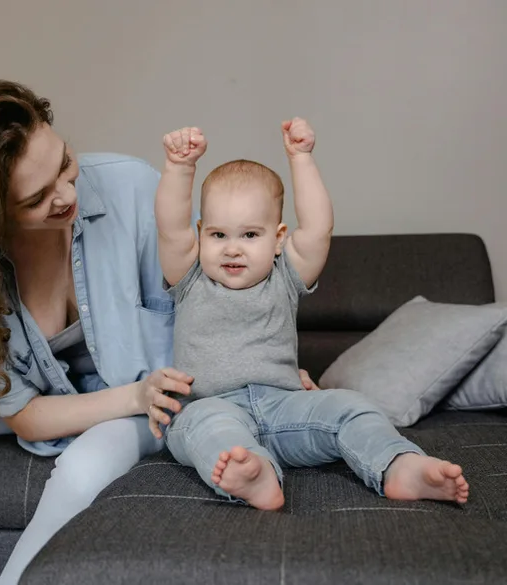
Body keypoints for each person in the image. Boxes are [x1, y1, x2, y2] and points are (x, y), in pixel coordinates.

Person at [0, 77, 326, 585]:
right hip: (80, 403)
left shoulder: (134, 190)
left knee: (86, 464)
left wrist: (260, 369)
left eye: (63, 163)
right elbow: (28, 417)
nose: (66, 193)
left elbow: (229, 280)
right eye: (36, 198)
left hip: (162, 402)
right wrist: (131, 396)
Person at [154, 120, 470, 511]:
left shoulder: (285, 276)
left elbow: (319, 229)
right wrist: (180, 168)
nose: (232, 249)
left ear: (279, 238)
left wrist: (300, 159)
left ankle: (398, 465)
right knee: (203, 427)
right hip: (212, 404)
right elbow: (170, 229)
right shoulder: (190, 278)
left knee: (352, 406)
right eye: (218, 235)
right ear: (200, 234)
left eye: (250, 235)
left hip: (285, 409)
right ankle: (254, 474)